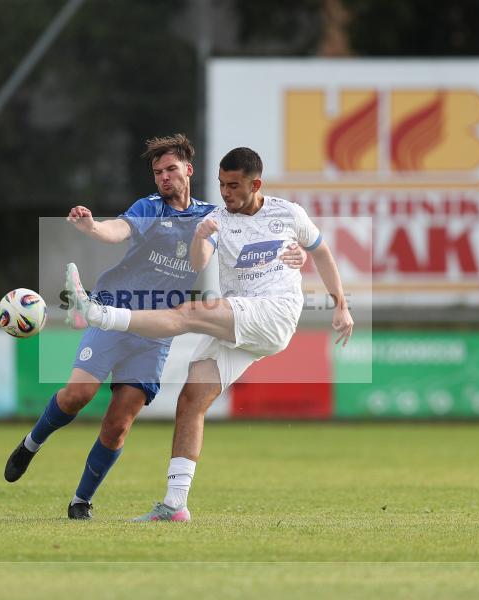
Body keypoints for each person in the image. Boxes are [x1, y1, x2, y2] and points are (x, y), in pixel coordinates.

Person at [3, 134, 306, 520]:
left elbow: (237, 245)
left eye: (171, 169)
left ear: (188, 170)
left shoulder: (212, 216)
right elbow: (119, 231)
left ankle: (81, 502)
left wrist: (290, 252)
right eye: (158, 171)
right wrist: (94, 228)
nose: (164, 177)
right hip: (116, 311)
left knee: (118, 424)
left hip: (156, 332)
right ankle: (32, 443)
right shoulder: (149, 208)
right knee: (77, 394)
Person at [66, 146, 354, 521]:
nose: (226, 193)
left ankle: (100, 315)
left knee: (188, 314)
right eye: (221, 185)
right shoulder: (218, 218)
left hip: (275, 312)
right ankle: (174, 504)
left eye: (234, 186)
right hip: (243, 320)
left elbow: (321, 250)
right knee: (191, 399)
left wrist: (341, 304)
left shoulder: (289, 213)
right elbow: (200, 260)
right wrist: (201, 236)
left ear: (256, 184)